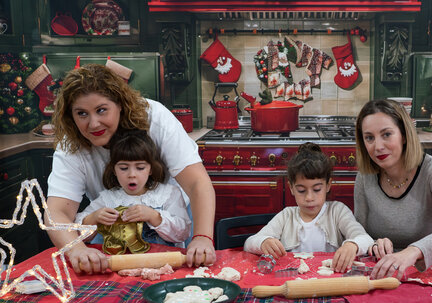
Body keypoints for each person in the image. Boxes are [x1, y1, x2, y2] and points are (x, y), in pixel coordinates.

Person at [47, 63, 216, 274]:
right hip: (113, 234)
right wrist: (76, 249)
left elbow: (197, 183)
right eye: (82, 114)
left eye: (101, 110)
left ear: (119, 104)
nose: (93, 124)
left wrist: (202, 237)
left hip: (170, 221)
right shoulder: (70, 146)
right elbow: (57, 211)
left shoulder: (156, 118)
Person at [354, 99, 432, 280]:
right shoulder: (364, 177)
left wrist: (412, 251)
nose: (377, 146)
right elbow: (358, 232)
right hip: (385, 273)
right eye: (369, 137)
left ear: (405, 135)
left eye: (386, 134)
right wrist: (374, 243)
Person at [244, 142, 374, 273]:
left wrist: (353, 245)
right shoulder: (286, 216)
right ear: (291, 188)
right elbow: (249, 243)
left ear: (328, 185)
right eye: (301, 190)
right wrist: (263, 242)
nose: (309, 198)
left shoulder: (338, 212)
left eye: (317, 189)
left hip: (330, 282)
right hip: (293, 281)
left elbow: (366, 239)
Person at [75, 129, 192, 251]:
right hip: (117, 264)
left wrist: (154, 217)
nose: (132, 174)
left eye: (140, 168)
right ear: (114, 170)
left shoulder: (168, 195)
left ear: (150, 169)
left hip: (160, 263)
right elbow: (76, 236)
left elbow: (182, 234)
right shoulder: (107, 199)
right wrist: (93, 218)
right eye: (124, 168)